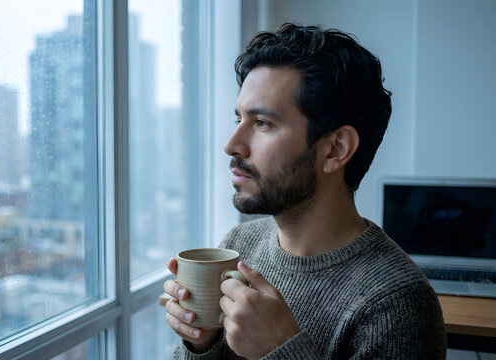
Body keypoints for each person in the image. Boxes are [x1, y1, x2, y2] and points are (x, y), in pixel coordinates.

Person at [164, 23, 447, 359]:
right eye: (238, 119)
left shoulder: (397, 305)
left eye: (262, 123)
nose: (232, 145)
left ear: (335, 150)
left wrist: (282, 350)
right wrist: (202, 343)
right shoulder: (239, 246)